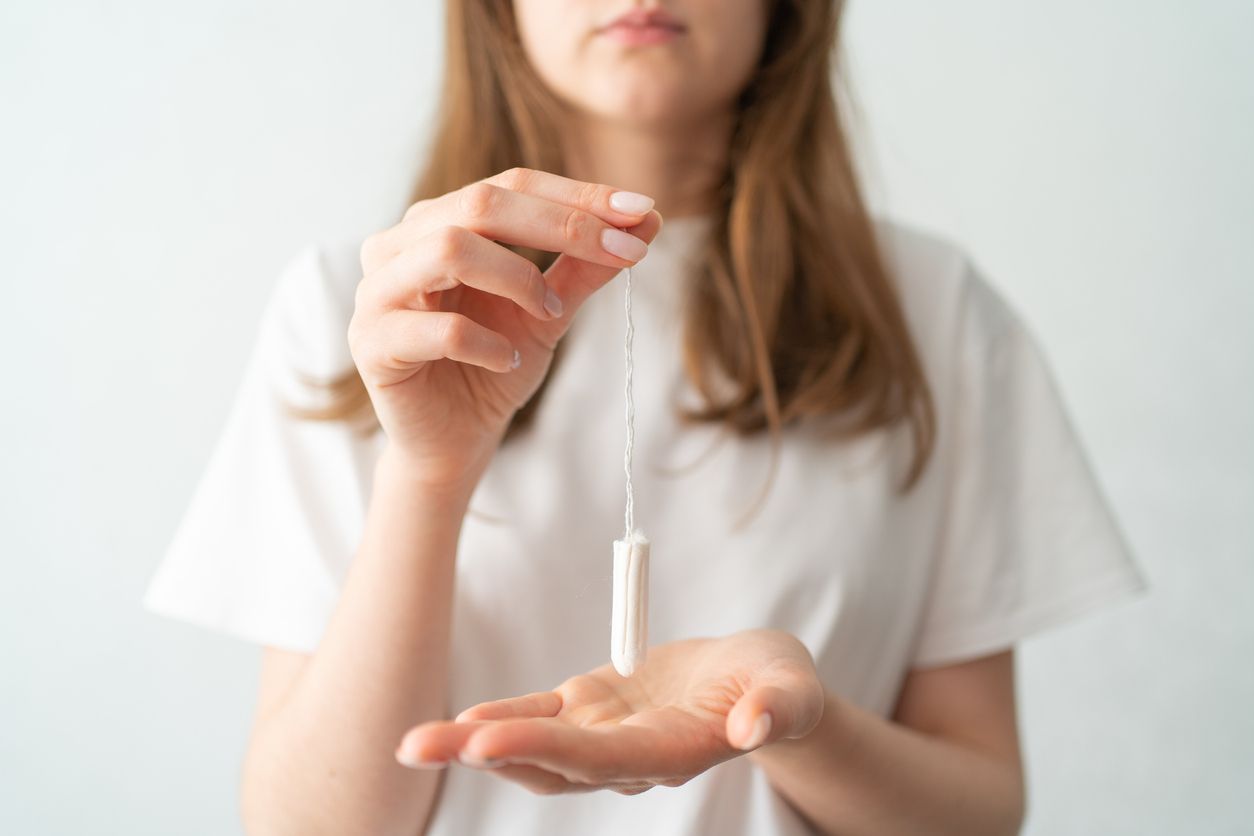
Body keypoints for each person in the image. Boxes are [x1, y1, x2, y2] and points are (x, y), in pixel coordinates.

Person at [142, 1, 1146, 834]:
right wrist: (430, 471)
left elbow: (979, 810)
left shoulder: (932, 311)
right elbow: (310, 823)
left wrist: (797, 724)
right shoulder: (363, 307)